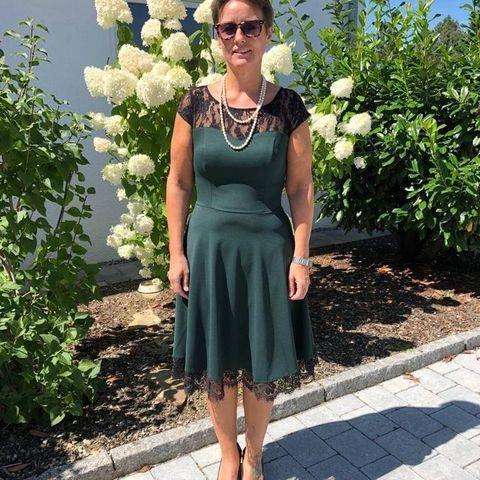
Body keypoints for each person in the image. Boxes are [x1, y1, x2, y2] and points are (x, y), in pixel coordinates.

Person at [166, 0, 317, 478]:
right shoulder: (194, 104)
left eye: (250, 27)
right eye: (228, 28)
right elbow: (178, 182)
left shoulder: (288, 108)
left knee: (259, 356)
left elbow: (300, 188)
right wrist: (175, 253)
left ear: (268, 32)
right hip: (207, 250)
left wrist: (301, 257)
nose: (239, 37)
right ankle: (228, 454)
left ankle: (253, 454)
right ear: (216, 35)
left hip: (267, 253)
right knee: (217, 356)